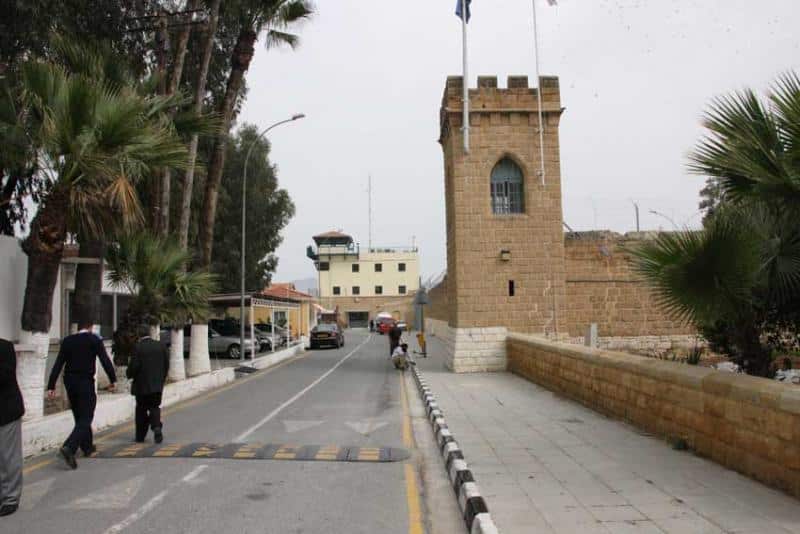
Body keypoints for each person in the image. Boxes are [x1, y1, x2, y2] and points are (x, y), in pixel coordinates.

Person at [47, 322, 116, 470]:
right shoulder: (94, 340)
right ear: (91, 326)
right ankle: (69, 447)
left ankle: (87, 447)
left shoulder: (68, 341)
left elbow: (58, 363)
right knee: (86, 416)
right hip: (85, 382)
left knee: (79, 415)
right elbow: (105, 360)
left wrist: (51, 385)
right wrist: (113, 379)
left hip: (70, 383)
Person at [127, 325, 169, 443]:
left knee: (141, 410)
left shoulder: (138, 347)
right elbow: (166, 364)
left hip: (141, 386)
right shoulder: (161, 345)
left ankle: (140, 436)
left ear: (139, 335)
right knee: (155, 407)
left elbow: (134, 367)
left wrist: (129, 374)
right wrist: (162, 379)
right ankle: (156, 427)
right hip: (157, 385)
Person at [0, 339, 24, 517]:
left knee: (8, 457)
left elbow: (6, 375)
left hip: (6, 411)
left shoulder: (5, 347)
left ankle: (10, 498)